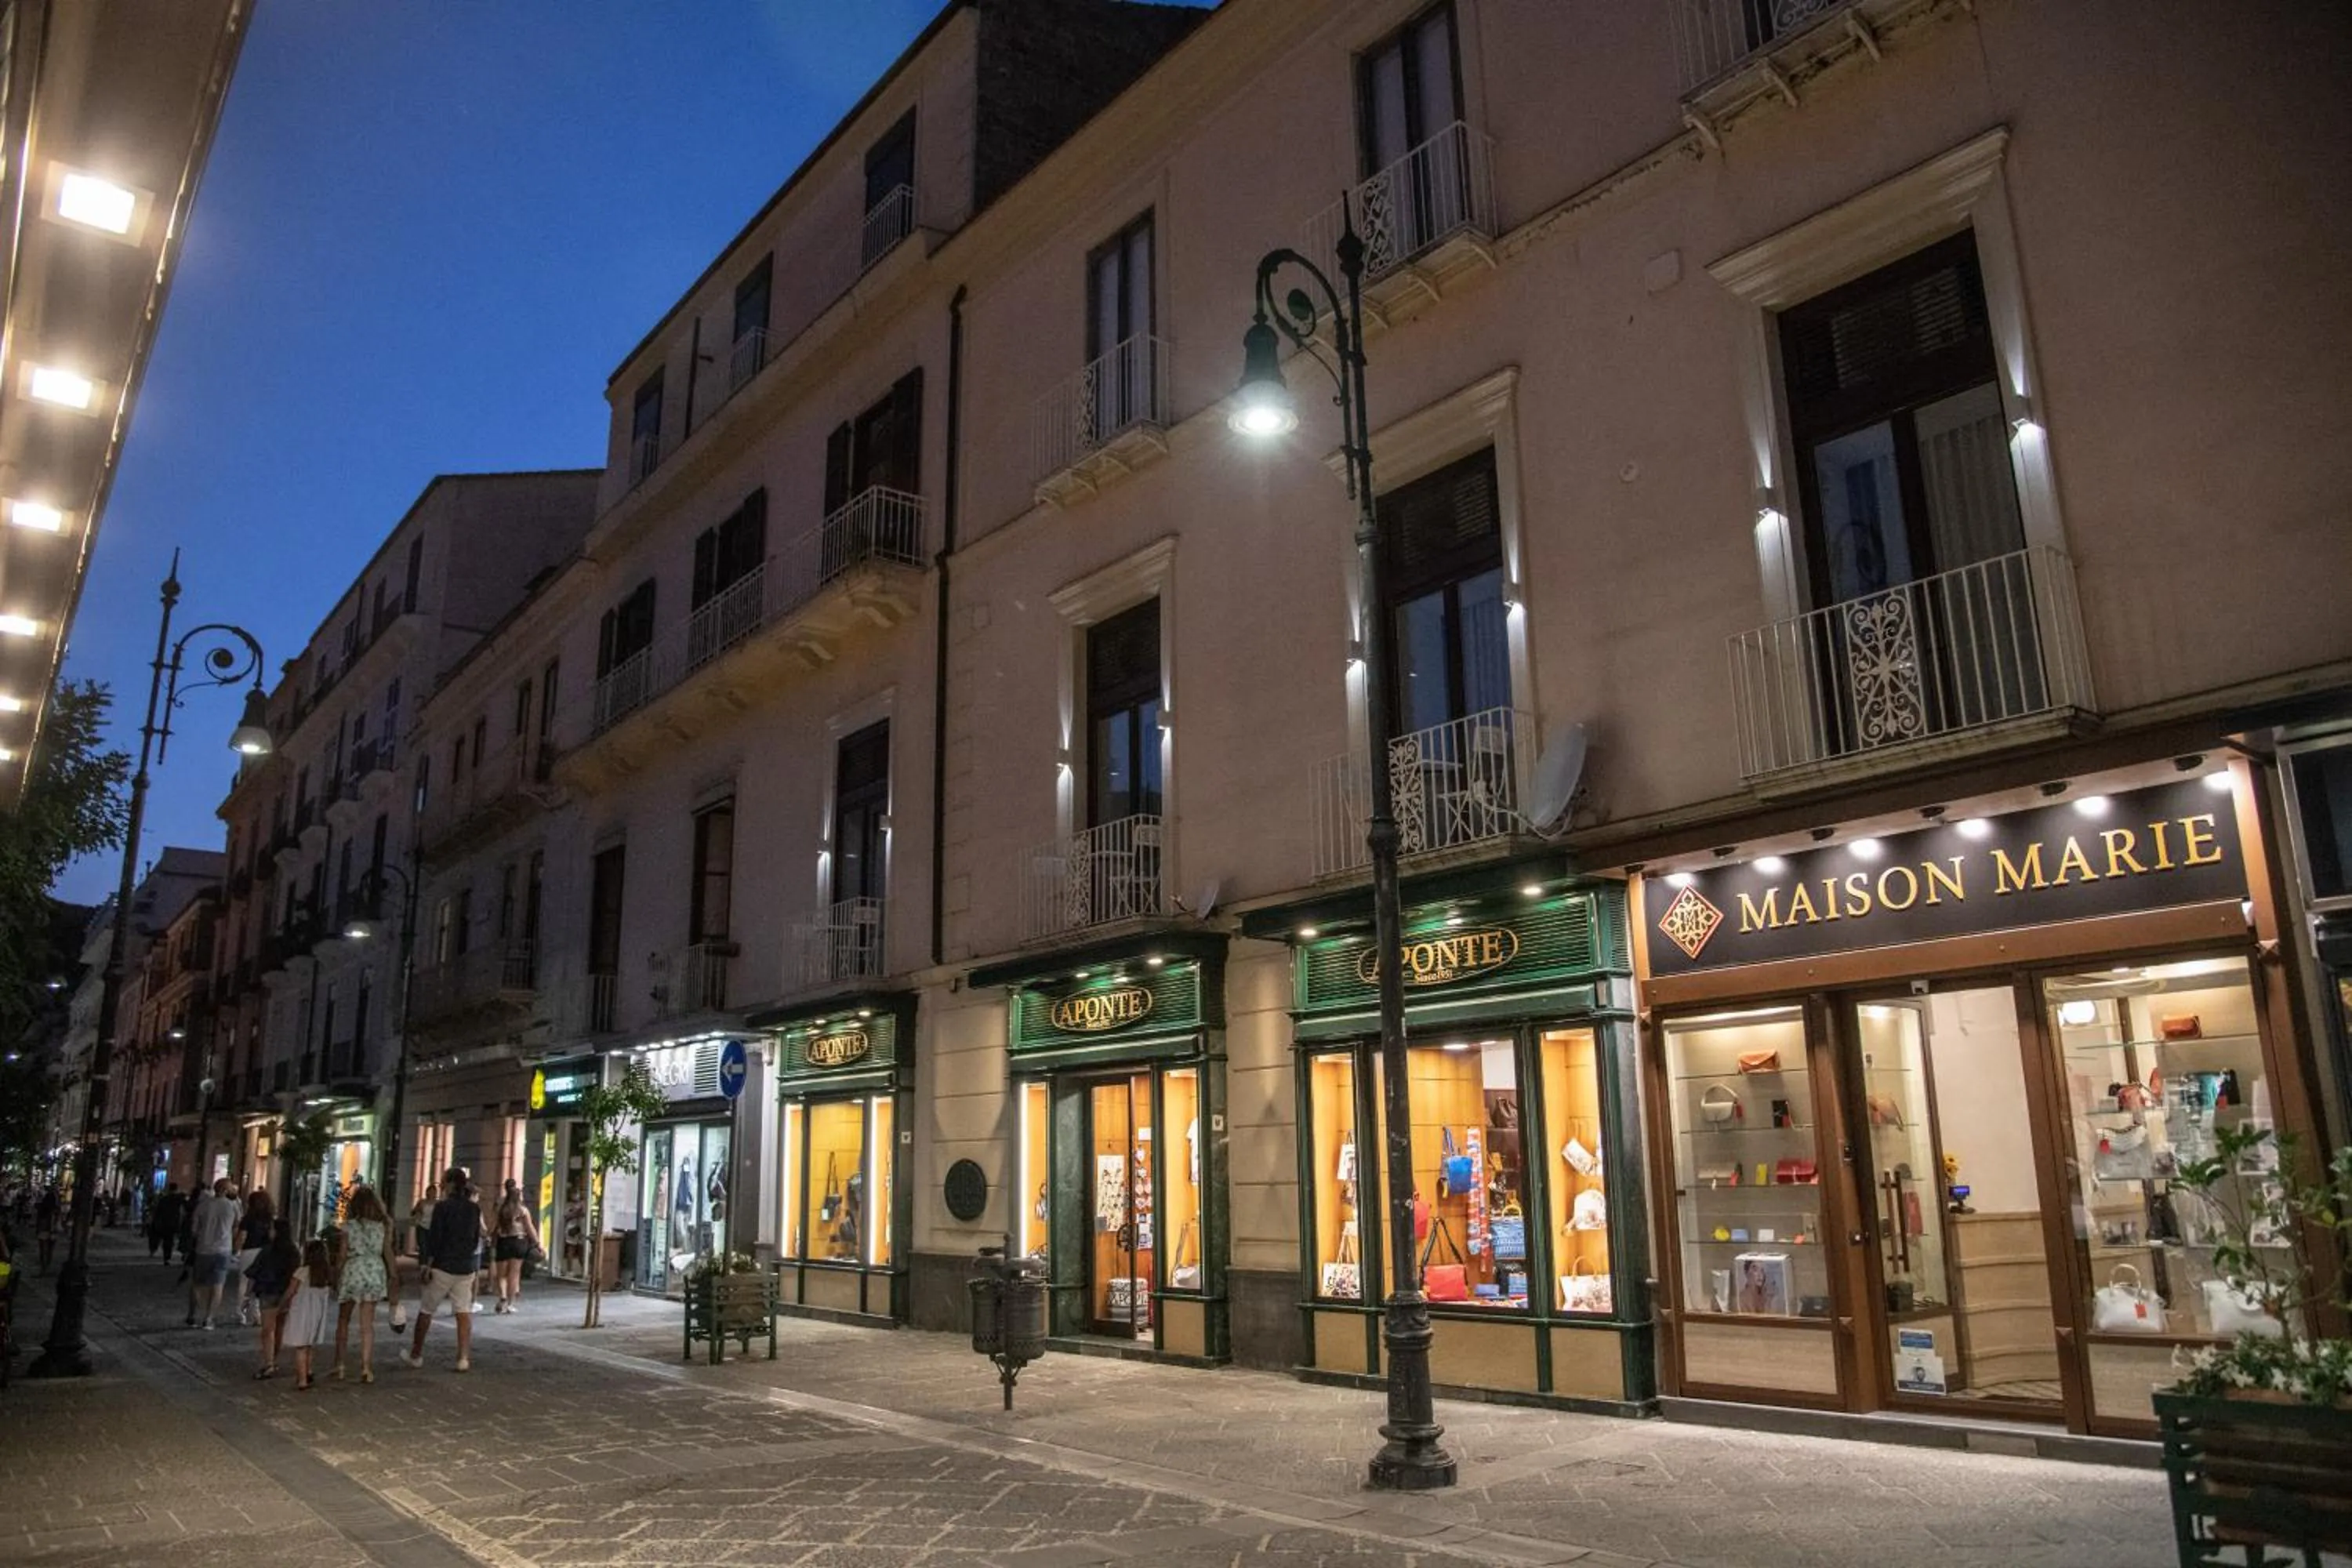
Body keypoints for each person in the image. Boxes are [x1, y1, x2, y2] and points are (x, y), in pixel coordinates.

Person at [403, 1167, 481, 1373]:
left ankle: (416, 1354)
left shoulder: (443, 1208)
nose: (441, 1186)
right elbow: (475, 1239)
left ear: (450, 1184)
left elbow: (435, 1238)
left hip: (443, 1265)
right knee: (463, 1311)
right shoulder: (474, 1209)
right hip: (465, 1265)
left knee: (427, 1310)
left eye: (443, 1182)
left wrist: (427, 1263)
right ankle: (463, 1357)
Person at [328, 1185, 394, 1383]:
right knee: (367, 1324)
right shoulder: (382, 1226)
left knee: (343, 1320)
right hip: (374, 1271)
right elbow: (388, 1252)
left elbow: (341, 1255)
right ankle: (366, 1367)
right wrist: (393, 1275)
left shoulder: (349, 1226)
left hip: (353, 1269)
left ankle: (339, 1364)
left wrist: (336, 1274)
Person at [278, 1238, 336, 1392]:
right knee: (309, 1345)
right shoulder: (326, 1274)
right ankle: (308, 1371)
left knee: (301, 1347)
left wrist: (282, 1305)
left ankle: (302, 1380)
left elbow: (291, 1291)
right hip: (316, 1314)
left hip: (301, 1313)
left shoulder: (302, 1272)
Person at [184, 1177, 241, 1330]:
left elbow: (194, 1229)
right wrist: (235, 1245)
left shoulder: (203, 1205)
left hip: (203, 1249)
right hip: (223, 1250)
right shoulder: (233, 1206)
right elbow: (237, 1227)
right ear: (226, 1190)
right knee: (218, 1285)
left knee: (197, 1284)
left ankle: (192, 1315)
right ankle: (209, 1318)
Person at [245, 1218, 298, 1379]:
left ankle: (269, 1363)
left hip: (269, 1292)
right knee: (279, 1327)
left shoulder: (267, 1251)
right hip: (286, 1293)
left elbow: (253, 1273)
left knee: (268, 1330)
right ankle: (274, 1358)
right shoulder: (293, 1252)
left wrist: (248, 1295)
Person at [490, 1178, 539, 1313]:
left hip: (503, 1242)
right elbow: (530, 1229)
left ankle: (503, 1297)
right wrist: (538, 1244)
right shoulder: (523, 1210)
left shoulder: (501, 1209)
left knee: (501, 1275)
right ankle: (511, 1304)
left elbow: (493, 1226)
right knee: (514, 1275)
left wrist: (490, 1237)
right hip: (519, 1242)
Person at [233, 1189, 274, 1327]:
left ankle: (241, 1314)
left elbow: (242, 1236)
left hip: (248, 1251)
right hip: (264, 1253)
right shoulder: (270, 1218)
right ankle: (256, 1315)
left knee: (244, 1283)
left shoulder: (248, 1218)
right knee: (259, 1284)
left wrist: (235, 1250)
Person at [148, 1182, 184, 1262]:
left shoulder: (164, 1199)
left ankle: (162, 1254)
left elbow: (158, 1211)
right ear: (176, 1189)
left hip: (164, 1222)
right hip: (173, 1223)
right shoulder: (179, 1199)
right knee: (169, 1240)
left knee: (163, 1239)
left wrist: (155, 1220)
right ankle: (167, 1257)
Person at [33, 1185, 59, 1274]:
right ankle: (47, 1266)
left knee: (43, 1251)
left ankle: (43, 1268)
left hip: (44, 1230)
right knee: (50, 1251)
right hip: (52, 1231)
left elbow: (39, 1221)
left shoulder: (43, 1210)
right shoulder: (55, 1210)